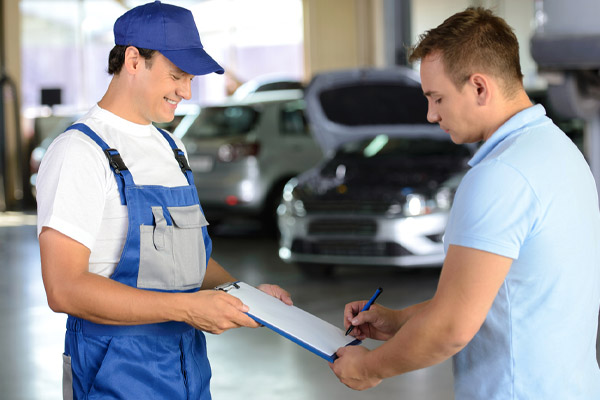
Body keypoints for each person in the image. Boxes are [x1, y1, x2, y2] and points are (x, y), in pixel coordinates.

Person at [330, 7, 600, 399]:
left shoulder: (500, 175)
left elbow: (453, 326)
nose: (431, 114)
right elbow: (495, 300)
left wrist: (371, 368)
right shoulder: (559, 150)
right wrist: (398, 320)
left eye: (437, 98)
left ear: (478, 87)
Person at [36, 2, 292, 399]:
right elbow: (64, 289)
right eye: (176, 75)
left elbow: (186, 261)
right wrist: (187, 308)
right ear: (134, 60)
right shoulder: (79, 152)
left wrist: (245, 297)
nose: (186, 92)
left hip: (186, 369)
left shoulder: (172, 148)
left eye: (189, 78)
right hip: (113, 373)